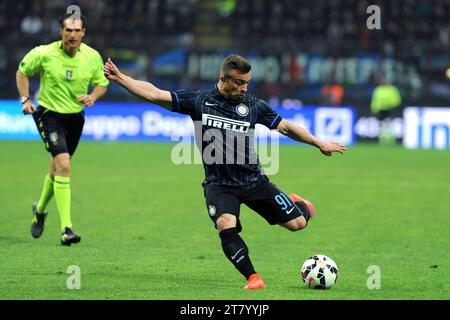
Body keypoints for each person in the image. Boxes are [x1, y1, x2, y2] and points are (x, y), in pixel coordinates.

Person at [104, 54, 346, 289]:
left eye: (247, 83)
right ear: (224, 79)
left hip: (253, 181)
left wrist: (318, 142)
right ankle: (253, 278)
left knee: (298, 223)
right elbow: (154, 93)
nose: (244, 88)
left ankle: (296, 202)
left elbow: (285, 127)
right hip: (219, 185)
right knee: (225, 224)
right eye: (239, 83)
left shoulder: (253, 106)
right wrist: (122, 78)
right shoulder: (199, 101)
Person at [16, 13, 109, 245]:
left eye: (77, 30)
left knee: (57, 168)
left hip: (75, 118)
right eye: (68, 30)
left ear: (84, 33)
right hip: (49, 114)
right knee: (64, 164)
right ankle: (66, 229)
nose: (72, 34)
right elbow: (22, 72)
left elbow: (102, 83)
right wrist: (25, 99)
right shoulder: (43, 53)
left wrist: (93, 96)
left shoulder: (92, 56)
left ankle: (39, 209)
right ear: (61, 32)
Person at [370, 77, 402, 145]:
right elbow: (375, 100)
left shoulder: (392, 89)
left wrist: (389, 104)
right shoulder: (378, 89)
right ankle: (382, 139)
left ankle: (391, 139)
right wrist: (374, 108)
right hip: (380, 110)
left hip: (390, 109)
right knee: (381, 125)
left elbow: (397, 100)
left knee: (389, 124)